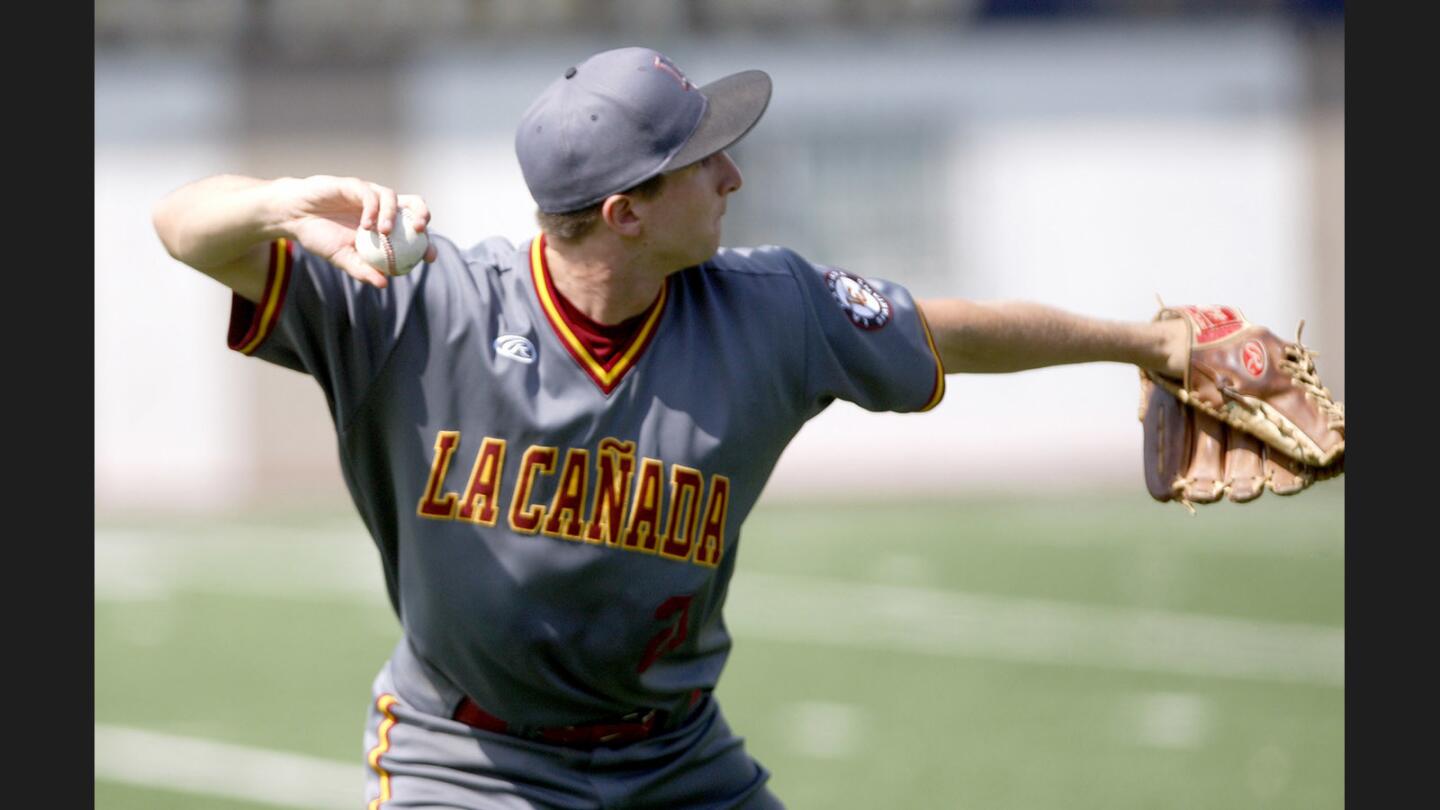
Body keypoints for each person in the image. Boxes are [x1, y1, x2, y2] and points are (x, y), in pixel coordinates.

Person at [153, 46, 1196, 809]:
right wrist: (281, 202)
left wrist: (1146, 345)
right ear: (626, 212)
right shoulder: (422, 312)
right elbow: (180, 228)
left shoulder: (770, 306)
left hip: (678, 764)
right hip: (468, 764)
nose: (734, 177)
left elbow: (948, 331)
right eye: (706, 162)